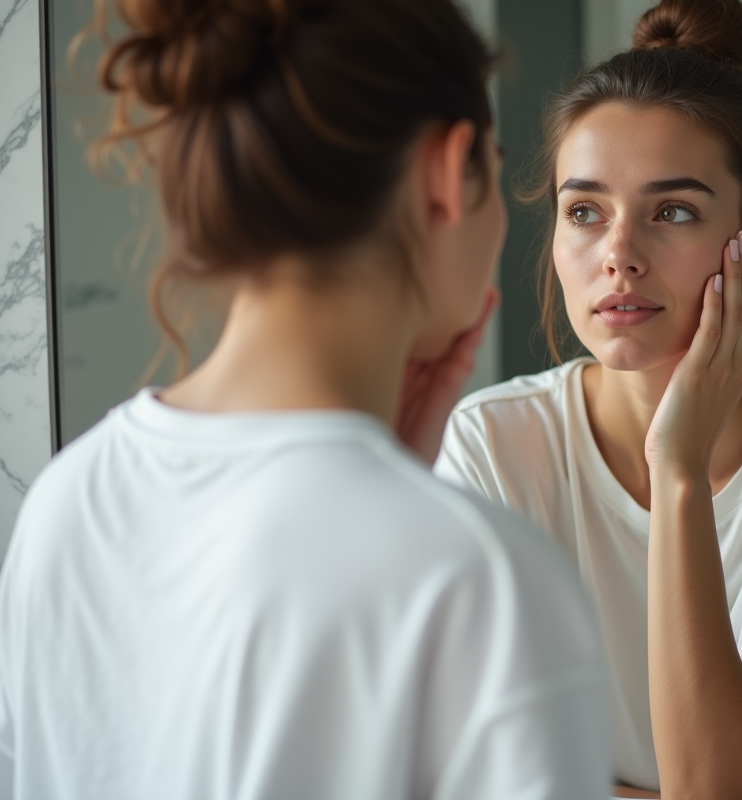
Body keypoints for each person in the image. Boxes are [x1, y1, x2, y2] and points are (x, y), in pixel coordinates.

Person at [0, 1, 611, 798]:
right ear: (445, 169)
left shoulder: (65, 502)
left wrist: (390, 478)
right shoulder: (480, 581)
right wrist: (399, 501)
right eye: (494, 168)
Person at [434, 1, 742, 798]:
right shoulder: (494, 444)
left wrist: (677, 474)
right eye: (585, 211)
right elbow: (463, 768)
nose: (619, 256)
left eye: (673, 212)